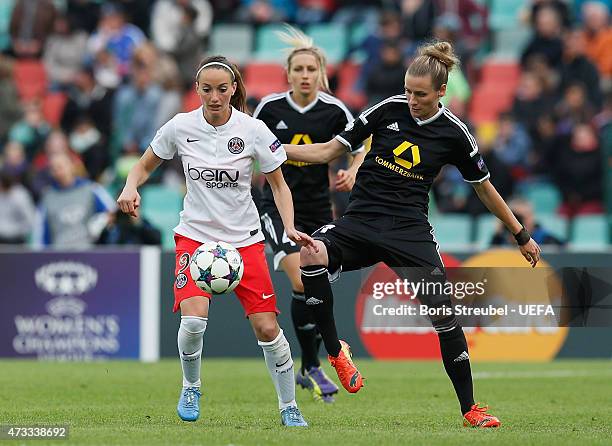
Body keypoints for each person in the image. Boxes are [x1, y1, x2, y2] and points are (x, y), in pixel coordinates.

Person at [283, 41, 542, 428]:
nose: (411, 100)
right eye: (407, 91)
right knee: (311, 253)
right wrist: (266, 149)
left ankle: (470, 408)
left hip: (409, 232)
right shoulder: (387, 109)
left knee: (445, 316)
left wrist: (520, 233)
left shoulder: (455, 134)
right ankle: (336, 352)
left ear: (442, 92)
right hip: (360, 222)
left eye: (420, 94)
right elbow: (324, 152)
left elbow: (484, 187)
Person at [117, 55, 314, 426]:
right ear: (197, 90)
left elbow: (279, 185)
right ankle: (191, 386)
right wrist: (130, 185)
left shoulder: (253, 131)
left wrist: (288, 226)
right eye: (207, 89)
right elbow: (144, 165)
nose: (214, 96)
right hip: (196, 238)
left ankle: (288, 406)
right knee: (193, 322)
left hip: (244, 240)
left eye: (222, 89)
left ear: (234, 89)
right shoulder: (180, 126)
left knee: (268, 328)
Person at [253, 27, 365, 403]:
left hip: (319, 208)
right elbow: (252, 148)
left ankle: (308, 366)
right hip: (277, 205)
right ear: (288, 73)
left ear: (321, 74)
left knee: (314, 287)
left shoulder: (334, 111)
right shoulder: (269, 108)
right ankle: (315, 364)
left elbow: (363, 142)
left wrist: (354, 168)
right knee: (303, 281)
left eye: (310, 69)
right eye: (298, 69)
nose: (304, 75)